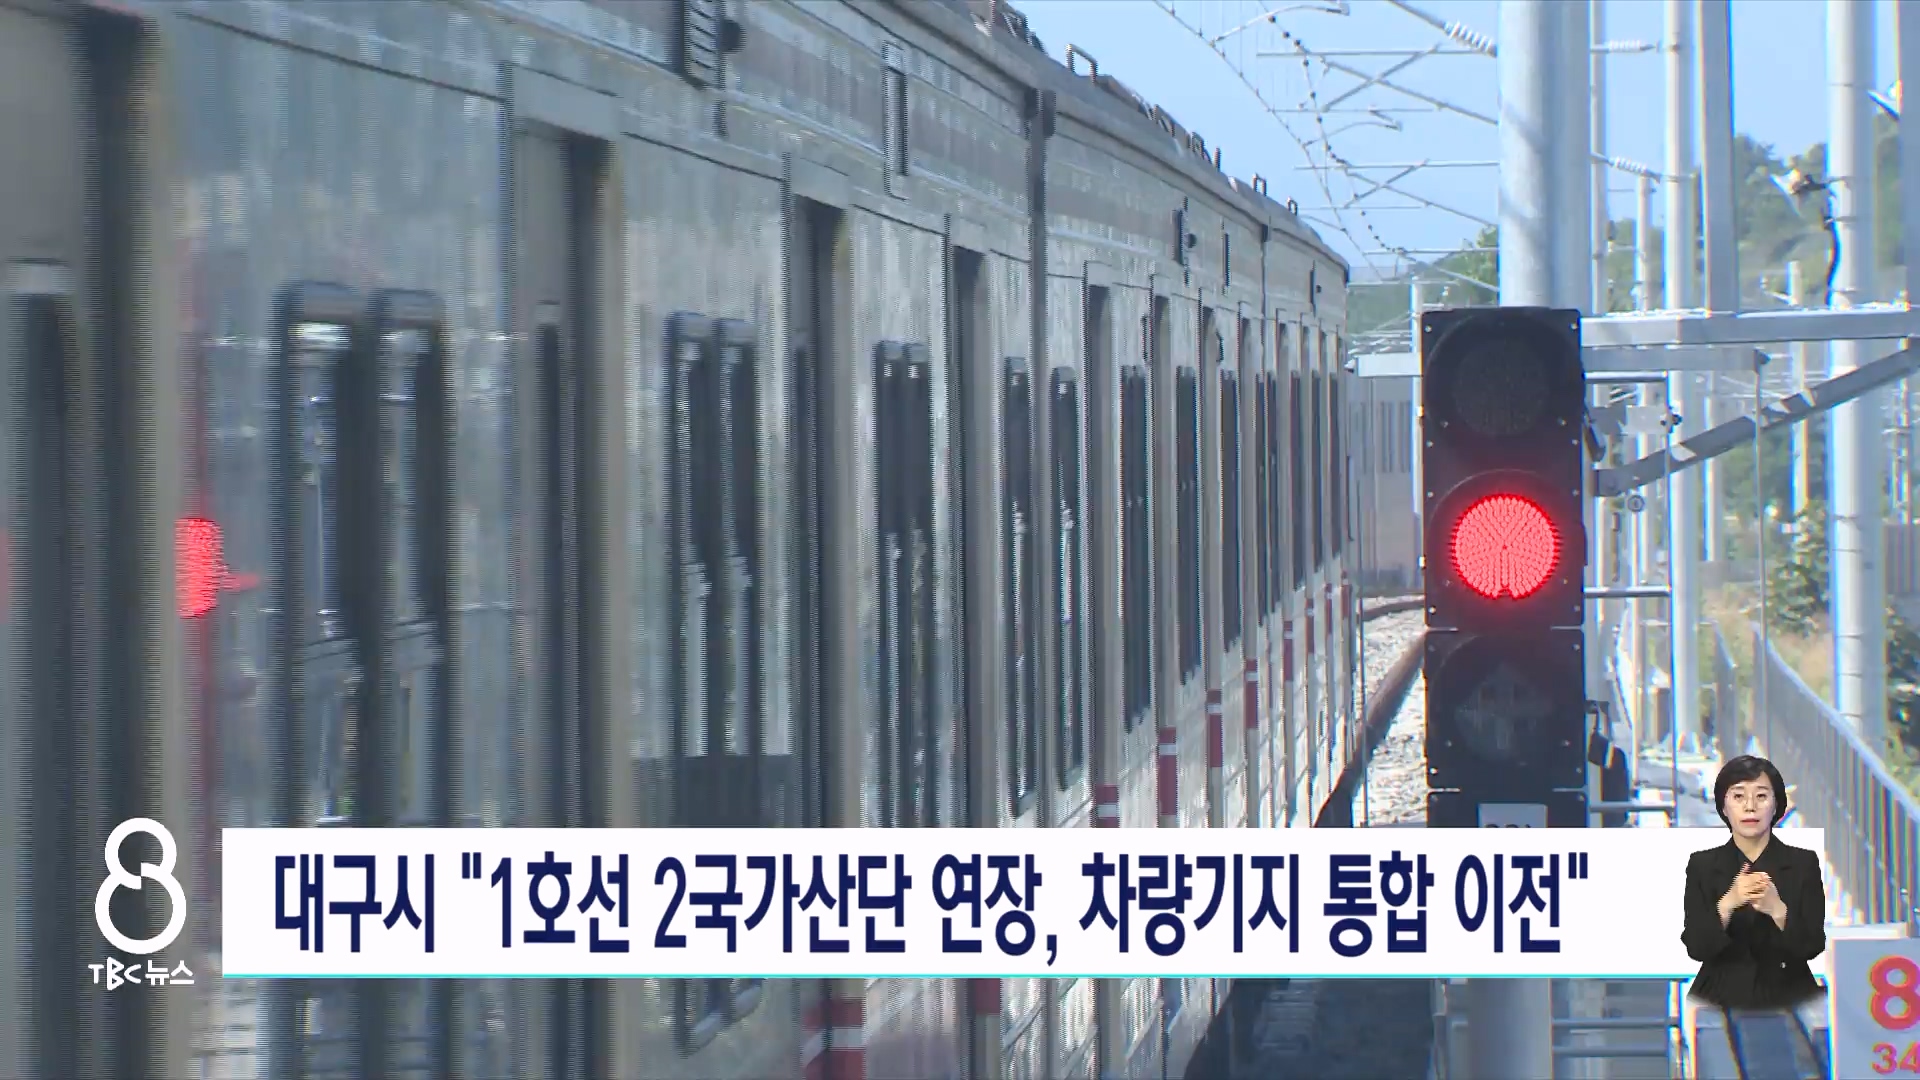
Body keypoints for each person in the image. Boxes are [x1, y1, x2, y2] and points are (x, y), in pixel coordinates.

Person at [1682, 754, 1826, 1010]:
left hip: (1791, 993)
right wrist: (1728, 903)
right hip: (1719, 995)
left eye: (1761, 796)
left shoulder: (1803, 863)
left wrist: (1778, 910)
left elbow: (1812, 945)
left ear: (1777, 805)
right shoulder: (1702, 865)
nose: (1750, 807)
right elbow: (1697, 947)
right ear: (1723, 807)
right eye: (1738, 797)